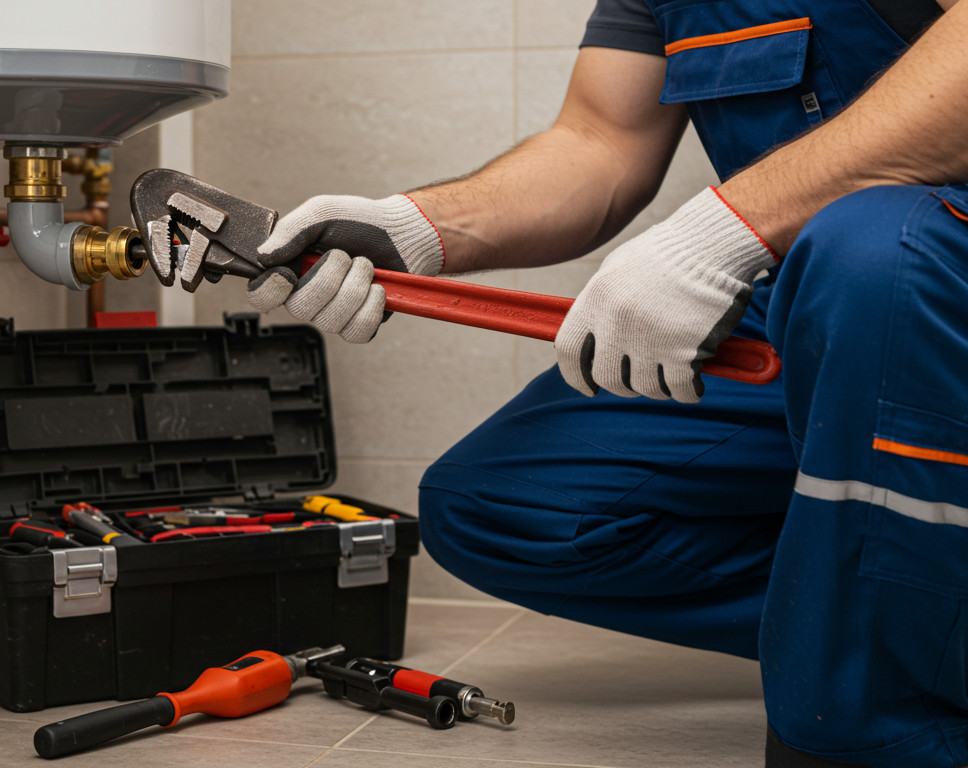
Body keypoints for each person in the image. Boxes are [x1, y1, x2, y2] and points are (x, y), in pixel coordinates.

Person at [245, 1, 968, 766]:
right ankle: (876, 620)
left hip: (922, 276)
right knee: (502, 508)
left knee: (870, 255)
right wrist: (415, 228)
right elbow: (599, 144)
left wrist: (722, 230)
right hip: (808, 300)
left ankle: (883, 715)